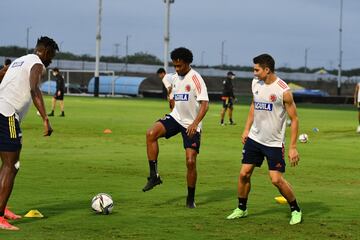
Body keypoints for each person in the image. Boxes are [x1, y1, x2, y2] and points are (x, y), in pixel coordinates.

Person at [226, 54, 302, 225]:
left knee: (276, 180)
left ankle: (296, 209)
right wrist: (246, 129)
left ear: (267, 70)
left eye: (256, 70)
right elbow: (254, 105)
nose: (254, 73)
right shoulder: (256, 84)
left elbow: (295, 119)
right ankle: (241, 208)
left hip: (274, 143)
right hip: (254, 138)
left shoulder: (283, 90)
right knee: (244, 173)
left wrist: (293, 147)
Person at [0, 36, 58, 231]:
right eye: (52, 56)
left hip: (2, 111)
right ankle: (0, 217)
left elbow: (2, 73)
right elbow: (34, 89)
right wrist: (45, 119)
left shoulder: (19, 60)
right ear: (46, 52)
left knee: (8, 165)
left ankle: (2, 208)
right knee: (11, 165)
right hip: (7, 114)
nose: (51, 61)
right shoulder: (37, 64)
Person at [143, 47, 209, 208]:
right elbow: (170, 89)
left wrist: (195, 124)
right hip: (175, 117)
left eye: (180, 66)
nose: (177, 69)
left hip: (191, 124)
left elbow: (205, 105)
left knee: (190, 161)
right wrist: (170, 99)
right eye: (175, 66)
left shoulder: (196, 79)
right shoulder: (173, 78)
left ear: (187, 63)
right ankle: (154, 176)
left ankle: (190, 199)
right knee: (151, 133)